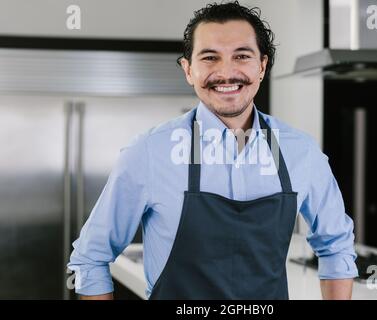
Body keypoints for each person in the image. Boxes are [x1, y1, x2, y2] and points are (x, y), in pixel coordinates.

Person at [68, 1, 358, 300]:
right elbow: (91, 258)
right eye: (210, 57)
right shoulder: (149, 152)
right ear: (188, 69)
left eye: (242, 56)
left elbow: (336, 246)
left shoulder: (301, 152)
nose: (226, 73)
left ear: (262, 66)